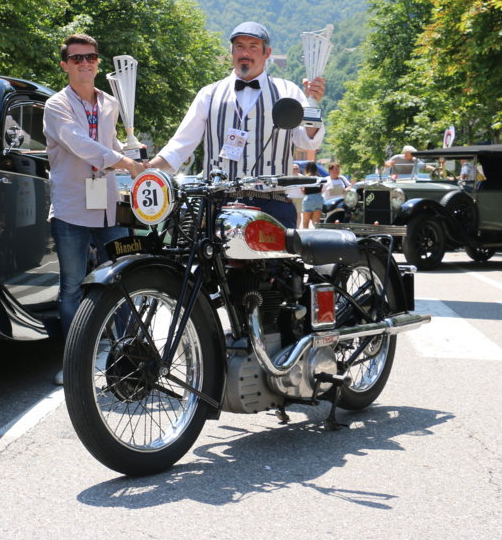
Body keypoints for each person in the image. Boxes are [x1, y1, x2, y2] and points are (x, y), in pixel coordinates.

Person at [146, 22, 325, 228]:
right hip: (219, 203)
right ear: (231, 52)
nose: (245, 52)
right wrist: (148, 168)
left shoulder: (288, 91)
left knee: (276, 261)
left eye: (253, 46)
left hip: (273, 203)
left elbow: (307, 140)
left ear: (267, 53)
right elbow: (180, 145)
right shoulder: (209, 94)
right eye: (239, 46)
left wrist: (313, 102)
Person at [44, 33, 144, 385]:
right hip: (71, 207)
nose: (85, 63)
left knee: (122, 281)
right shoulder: (56, 105)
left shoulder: (110, 103)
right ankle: (76, 364)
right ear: (65, 65)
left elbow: (107, 142)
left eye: (91, 57)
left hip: (106, 205)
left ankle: (128, 359)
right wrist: (121, 160)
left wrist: (131, 152)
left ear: (98, 62)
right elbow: (78, 144)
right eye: (77, 59)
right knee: (72, 286)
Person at [300, 161, 324, 229]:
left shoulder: (306, 178)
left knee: (305, 223)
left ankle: (305, 238)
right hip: (318, 199)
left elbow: (303, 190)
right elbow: (321, 189)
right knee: (316, 224)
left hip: (308, 199)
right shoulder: (319, 177)